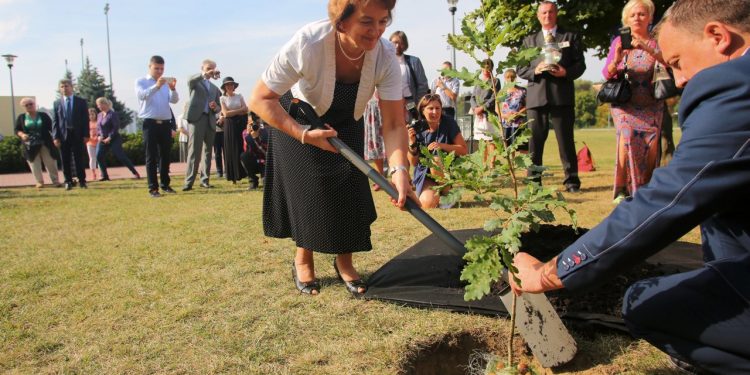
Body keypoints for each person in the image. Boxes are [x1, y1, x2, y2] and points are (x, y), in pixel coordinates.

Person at [510, 1, 750, 373]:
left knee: (643, 300)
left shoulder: (738, 87)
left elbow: (664, 203)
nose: (680, 80)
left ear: (718, 37)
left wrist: (548, 274)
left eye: (678, 62)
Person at [249, 0, 415, 297]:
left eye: (383, 21)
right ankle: (303, 259)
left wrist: (400, 169)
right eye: (367, 21)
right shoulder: (308, 43)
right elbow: (260, 99)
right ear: (341, 21)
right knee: (308, 191)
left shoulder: (386, 55)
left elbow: (393, 123)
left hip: (347, 118)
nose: (376, 30)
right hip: (298, 117)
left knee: (349, 189)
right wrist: (302, 134)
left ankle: (345, 263)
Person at [517, 1, 586, 193]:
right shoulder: (528, 41)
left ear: (556, 14)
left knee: (566, 141)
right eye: (543, 13)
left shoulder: (570, 37)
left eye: (550, 12)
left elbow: (580, 65)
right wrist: (535, 70)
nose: (547, 15)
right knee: (534, 144)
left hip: (561, 96)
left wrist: (565, 72)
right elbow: (520, 68)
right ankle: (533, 183)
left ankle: (571, 182)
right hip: (536, 98)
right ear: (538, 16)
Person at [603, 0, 666, 203]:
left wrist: (649, 50)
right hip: (625, 104)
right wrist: (617, 59)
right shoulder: (619, 42)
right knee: (627, 137)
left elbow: (672, 64)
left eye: (641, 14)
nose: (637, 18)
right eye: (633, 15)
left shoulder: (658, 41)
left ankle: (646, 186)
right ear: (626, 19)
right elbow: (607, 74)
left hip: (652, 102)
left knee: (652, 142)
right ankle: (622, 188)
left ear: (650, 17)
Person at [407, 94, 468, 208]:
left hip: (444, 168)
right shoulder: (417, 127)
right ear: (422, 110)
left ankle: (447, 194)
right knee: (427, 204)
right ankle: (435, 194)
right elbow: (413, 163)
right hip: (425, 173)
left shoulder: (448, 122)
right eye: (430, 108)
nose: (435, 112)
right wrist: (412, 143)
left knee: (436, 159)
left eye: (438, 108)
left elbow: (463, 150)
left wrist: (442, 146)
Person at [135, 55, 179, 198]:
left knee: (165, 156)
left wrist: (172, 89)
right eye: (157, 68)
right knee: (151, 156)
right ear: (150, 67)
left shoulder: (165, 83)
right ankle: (153, 188)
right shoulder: (141, 81)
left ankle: (165, 184)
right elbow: (142, 96)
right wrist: (156, 86)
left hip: (165, 123)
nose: (160, 71)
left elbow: (174, 100)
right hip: (150, 123)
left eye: (162, 69)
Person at [183, 59, 221, 191]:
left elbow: (219, 108)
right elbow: (190, 80)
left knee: (208, 151)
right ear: (202, 67)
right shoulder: (195, 82)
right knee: (194, 151)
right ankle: (189, 182)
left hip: (210, 120)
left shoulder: (215, 88)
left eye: (213, 68)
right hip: (196, 119)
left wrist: (216, 107)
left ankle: (205, 180)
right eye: (209, 68)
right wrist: (205, 74)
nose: (211, 70)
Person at [15, 97, 61, 188]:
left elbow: (52, 128)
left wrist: (56, 138)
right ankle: (39, 182)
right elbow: (17, 129)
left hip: (45, 142)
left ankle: (55, 181)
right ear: (23, 107)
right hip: (30, 144)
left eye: (31, 104)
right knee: (34, 163)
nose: (29, 106)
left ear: (35, 104)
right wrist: (22, 135)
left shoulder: (43, 115)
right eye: (26, 105)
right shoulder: (21, 117)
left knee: (50, 161)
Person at [52, 79, 90, 190]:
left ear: (72, 87)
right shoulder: (57, 103)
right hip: (63, 135)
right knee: (65, 159)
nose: (65, 88)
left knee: (79, 158)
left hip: (77, 134)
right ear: (60, 89)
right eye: (62, 86)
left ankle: (82, 181)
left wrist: (86, 134)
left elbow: (85, 119)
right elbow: (55, 121)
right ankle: (68, 181)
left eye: (67, 86)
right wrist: (55, 137)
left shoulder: (81, 101)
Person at [94, 97, 140, 181]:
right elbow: (98, 127)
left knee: (120, 156)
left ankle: (134, 172)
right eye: (97, 105)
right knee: (99, 156)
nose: (98, 107)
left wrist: (110, 137)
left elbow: (115, 127)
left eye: (99, 105)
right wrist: (99, 135)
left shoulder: (112, 114)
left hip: (114, 138)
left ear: (104, 104)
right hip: (102, 139)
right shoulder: (99, 115)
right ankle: (105, 176)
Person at [389, 30, 429, 123]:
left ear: (405, 45)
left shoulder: (414, 61)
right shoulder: (385, 62)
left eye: (400, 43)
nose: (397, 46)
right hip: (391, 102)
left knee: (411, 127)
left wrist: (417, 103)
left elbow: (423, 85)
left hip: (409, 102)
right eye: (394, 42)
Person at [471, 58, 502, 163]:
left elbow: (494, 98)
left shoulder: (495, 81)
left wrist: (482, 108)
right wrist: (475, 108)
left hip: (489, 115)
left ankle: (492, 164)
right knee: (481, 140)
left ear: (491, 69)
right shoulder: (478, 82)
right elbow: (472, 97)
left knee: (491, 140)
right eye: (483, 68)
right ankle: (483, 163)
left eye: (487, 68)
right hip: (478, 116)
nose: (485, 70)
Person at [220, 76, 249, 184]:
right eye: (227, 85)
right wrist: (239, 110)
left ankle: (243, 172)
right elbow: (225, 113)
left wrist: (233, 112)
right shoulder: (222, 98)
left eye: (231, 84)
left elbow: (245, 109)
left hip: (240, 123)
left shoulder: (239, 96)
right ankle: (233, 175)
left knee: (241, 146)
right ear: (224, 87)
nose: (230, 86)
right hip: (230, 125)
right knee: (231, 148)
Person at [363, 91, 386, 191]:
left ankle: (406, 179)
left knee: (396, 147)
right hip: (370, 109)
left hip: (387, 107)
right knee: (375, 144)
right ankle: (380, 179)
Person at [500, 69, 527, 148]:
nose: (510, 79)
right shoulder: (501, 92)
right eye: (508, 77)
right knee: (509, 149)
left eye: (512, 77)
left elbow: (528, 106)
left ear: (516, 78)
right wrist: (506, 116)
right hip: (506, 125)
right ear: (505, 78)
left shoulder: (522, 90)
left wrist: (518, 114)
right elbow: (497, 109)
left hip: (520, 124)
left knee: (523, 148)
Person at [241, 114, 268, 190]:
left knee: (266, 184)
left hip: (265, 162)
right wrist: (249, 135)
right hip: (254, 161)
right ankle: (253, 180)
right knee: (244, 156)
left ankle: (264, 177)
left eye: (256, 123)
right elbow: (247, 150)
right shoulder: (245, 133)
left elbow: (266, 153)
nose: (254, 126)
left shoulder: (265, 132)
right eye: (251, 124)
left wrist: (257, 139)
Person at [86, 108, 99, 181]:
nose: (91, 116)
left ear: (95, 115)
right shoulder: (87, 123)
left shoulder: (98, 122)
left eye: (92, 114)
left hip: (98, 142)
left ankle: (102, 173)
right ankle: (93, 173)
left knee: (99, 158)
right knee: (92, 158)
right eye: (89, 115)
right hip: (90, 142)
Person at [214, 112, 225, 178]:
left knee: (226, 152)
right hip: (215, 133)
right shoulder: (212, 108)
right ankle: (219, 171)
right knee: (217, 153)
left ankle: (226, 170)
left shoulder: (223, 107)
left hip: (224, 132)